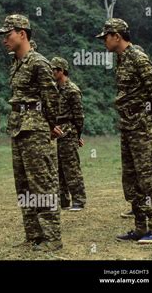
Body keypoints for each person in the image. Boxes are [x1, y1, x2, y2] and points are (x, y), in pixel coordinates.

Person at [0, 14, 62, 251]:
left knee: (42, 184)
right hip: (18, 128)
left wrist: (49, 125)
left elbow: (51, 98)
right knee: (23, 185)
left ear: (22, 33)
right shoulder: (16, 63)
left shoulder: (38, 62)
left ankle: (52, 238)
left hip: (35, 129)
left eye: (8, 34)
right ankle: (33, 235)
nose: (4, 39)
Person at [96, 18, 152, 244]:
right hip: (127, 126)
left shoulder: (138, 57)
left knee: (147, 177)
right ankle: (139, 227)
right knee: (130, 178)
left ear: (117, 36)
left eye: (105, 36)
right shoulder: (121, 59)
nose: (103, 41)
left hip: (141, 125)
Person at [51, 57, 86, 211]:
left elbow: (79, 116)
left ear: (61, 71)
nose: (51, 73)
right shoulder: (53, 89)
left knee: (71, 167)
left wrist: (77, 135)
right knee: (57, 168)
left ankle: (78, 199)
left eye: (54, 70)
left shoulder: (72, 90)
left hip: (69, 131)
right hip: (55, 132)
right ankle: (63, 200)